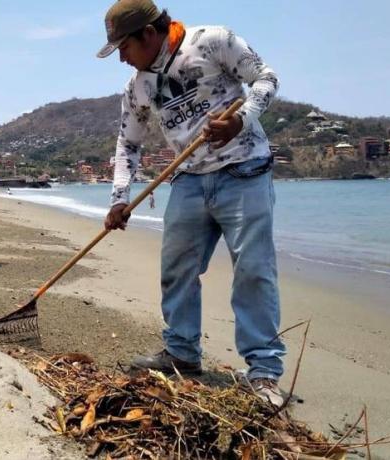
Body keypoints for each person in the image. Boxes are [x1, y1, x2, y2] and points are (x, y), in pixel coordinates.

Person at [98, 0, 285, 406]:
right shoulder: (138, 88)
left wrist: (242, 118)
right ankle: (181, 352)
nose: (123, 60)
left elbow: (266, 78)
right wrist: (119, 198)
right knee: (176, 269)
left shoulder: (212, 41)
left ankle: (265, 371)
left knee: (253, 271)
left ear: (148, 34)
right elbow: (128, 143)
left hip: (245, 170)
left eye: (124, 48)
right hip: (188, 181)